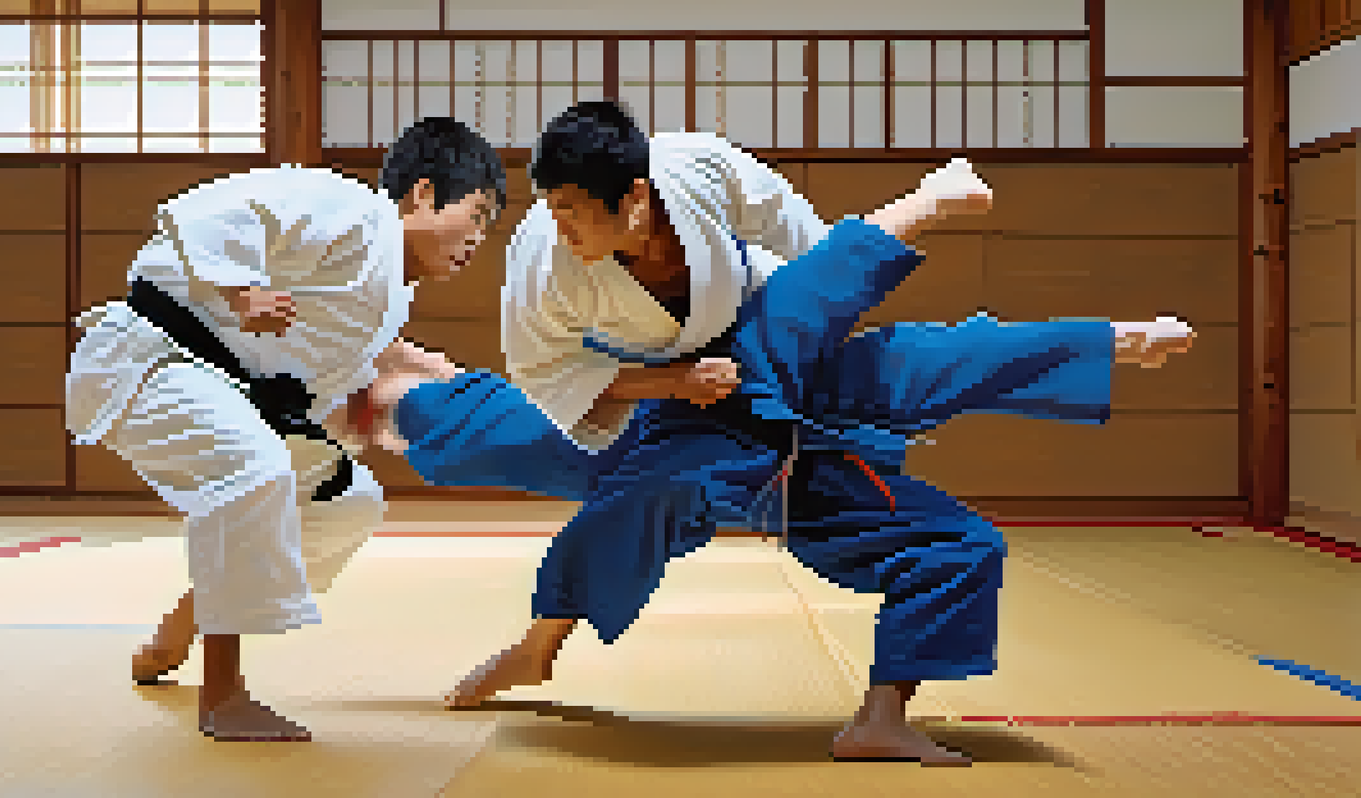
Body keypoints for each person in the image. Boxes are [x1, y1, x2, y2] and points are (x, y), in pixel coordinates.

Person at [337, 101, 1195, 765]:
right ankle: (406, 414)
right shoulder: (542, 266)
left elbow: (805, 242)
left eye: (574, 212)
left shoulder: (696, 170)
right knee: (583, 468)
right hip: (650, 394)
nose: (559, 227)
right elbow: (551, 384)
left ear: (633, 197)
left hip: (767, 360)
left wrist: (1113, 342)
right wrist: (673, 381)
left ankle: (881, 720)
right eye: (551, 211)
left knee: (960, 541)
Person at [64, 117, 507, 742]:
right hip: (154, 359)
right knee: (253, 473)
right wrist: (242, 289)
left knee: (346, 504)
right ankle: (222, 697)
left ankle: (183, 626)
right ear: (424, 195)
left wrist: (424, 373)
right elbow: (201, 213)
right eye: (478, 214)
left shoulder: (389, 294)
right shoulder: (345, 207)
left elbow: (332, 369)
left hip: (231, 393)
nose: (478, 240)